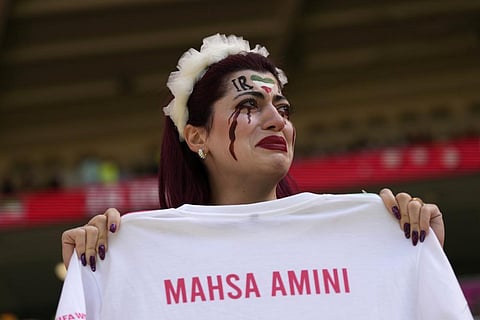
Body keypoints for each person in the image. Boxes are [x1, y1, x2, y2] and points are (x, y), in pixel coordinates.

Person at [56, 34, 471, 319]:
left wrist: (412, 257)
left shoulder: (381, 228)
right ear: (196, 135)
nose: (278, 121)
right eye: (250, 104)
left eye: (284, 109)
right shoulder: (127, 251)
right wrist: (96, 273)